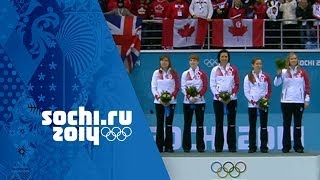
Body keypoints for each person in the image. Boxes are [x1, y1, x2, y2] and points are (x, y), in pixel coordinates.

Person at [274, 52, 310, 153]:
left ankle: (298, 146)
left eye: (295, 58)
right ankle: (286, 146)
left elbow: (307, 86)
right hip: (286, 101)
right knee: (286, 124)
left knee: (298, 124)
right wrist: (278, 74)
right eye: (291, 59)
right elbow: (276, 84)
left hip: (298, 101)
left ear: (297, 60)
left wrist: (306, 99)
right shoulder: (284, 72)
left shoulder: (302, 72)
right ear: (288, 61)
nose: (293, 60)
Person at [210, 49, 239, 152]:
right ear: (219, 58)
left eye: (226, 56)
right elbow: (212, 85)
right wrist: (219, 97)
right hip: (218, 100)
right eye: (222, 56)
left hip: (232, 100)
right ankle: (218, 147)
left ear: (228, 58)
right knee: (219, 123)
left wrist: (230, 96)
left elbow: (236, 84)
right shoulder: (215, 70)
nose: (224, 58)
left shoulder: (233, 69)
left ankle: (232, 146)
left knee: (231, 123)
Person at [151, 55, 179, 153]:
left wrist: (170, 99)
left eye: (166, 61)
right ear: (160, 62)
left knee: (169, 124)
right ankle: (159, 147)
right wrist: (159, 98)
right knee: (159, 124)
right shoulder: (156, 73)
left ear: (169, 62)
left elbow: (177, 87)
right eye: (162, 61)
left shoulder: (173, 73)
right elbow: (153, 87)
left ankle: (169, 146)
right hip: (159, 102)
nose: (164, 62)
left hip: (171, 103)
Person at [243, 58, 272, 153]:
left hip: (263, 104)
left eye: (260, 63)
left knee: (264, 125)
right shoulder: (248, 77)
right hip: (252, 105)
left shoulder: (265, 76)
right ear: (252, 65)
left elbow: (269, 90)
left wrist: (265, 99)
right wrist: (252, 100)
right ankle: (252, 146)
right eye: (256, 63)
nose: (258, 65)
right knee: (252, 126)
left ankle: (264, 146)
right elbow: (246, 91)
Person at [181, 54, 207, 152]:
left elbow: (204, 86)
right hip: (187, 102)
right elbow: (183, 87)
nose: (193, 62)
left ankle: (200, 147)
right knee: (187, 124)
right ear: (189, 62)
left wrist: (197, 96)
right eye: (191, 60)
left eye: (195, 60)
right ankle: (186, 147)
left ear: (198, 62)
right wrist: (189, 97)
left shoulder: (202, 73)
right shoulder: (185, 73)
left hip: (200, 102)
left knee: (199, 124)